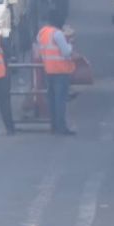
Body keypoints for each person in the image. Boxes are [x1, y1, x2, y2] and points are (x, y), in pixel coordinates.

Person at [36, 8, 76, 136]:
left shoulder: (42, 33)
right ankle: (61, 127)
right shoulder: (57, 34)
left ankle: (53, 126)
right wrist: (70, 44)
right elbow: (66, 52)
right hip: (60, 71)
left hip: (48, 70)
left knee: (52, 100)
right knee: (60, 100)